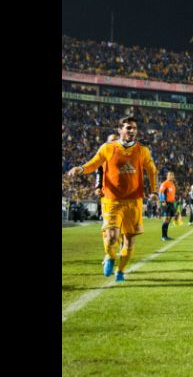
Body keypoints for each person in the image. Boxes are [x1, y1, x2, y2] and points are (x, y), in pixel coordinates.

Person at [67, 116, 158, 282]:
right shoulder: (108, 148)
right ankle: (109, 257)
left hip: (134, 201)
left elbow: (152, 171)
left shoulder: (143, 151)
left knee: (129, 242)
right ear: (120, 130)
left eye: (134, 128)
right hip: (112, 200)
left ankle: (120, 271)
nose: (132, 131)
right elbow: (94, 164)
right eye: (128, 128)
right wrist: (80, 169)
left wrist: (154, 191)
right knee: (111, 237)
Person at [95, 133, 120, 269]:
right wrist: (98, 187)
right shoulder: (103, 157)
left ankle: (112, 253)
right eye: (111, 141)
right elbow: (98, 171)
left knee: (120, 232)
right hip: (108, 199)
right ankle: (109, 255)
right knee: (109, 233)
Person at [158, 171, 178, 241]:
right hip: (166, 204)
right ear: (167, 176)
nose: (171, 176)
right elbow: (160, 192)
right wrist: (163, 201)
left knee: (168, 220)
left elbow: (172, 195)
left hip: (171, 204)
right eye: (169, 175)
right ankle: (163, 236)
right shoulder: (165, 183)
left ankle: (166, 236)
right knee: (166, 220)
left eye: (172, 175)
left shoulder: (172, 184)